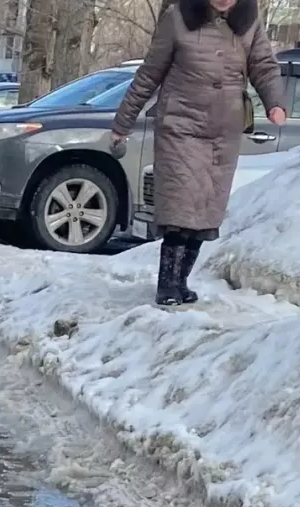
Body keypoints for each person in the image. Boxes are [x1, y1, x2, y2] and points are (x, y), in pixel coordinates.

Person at [110, 0, 286, 305]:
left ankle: (181, 282)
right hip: (180, 127)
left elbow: (264, 66)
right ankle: (167, 284)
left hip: (224, 132)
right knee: (181, 207)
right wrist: (123, 123)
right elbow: (150, 74)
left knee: (207, 210)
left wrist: (275, 103)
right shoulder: (178, 18)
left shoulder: (250, 21)